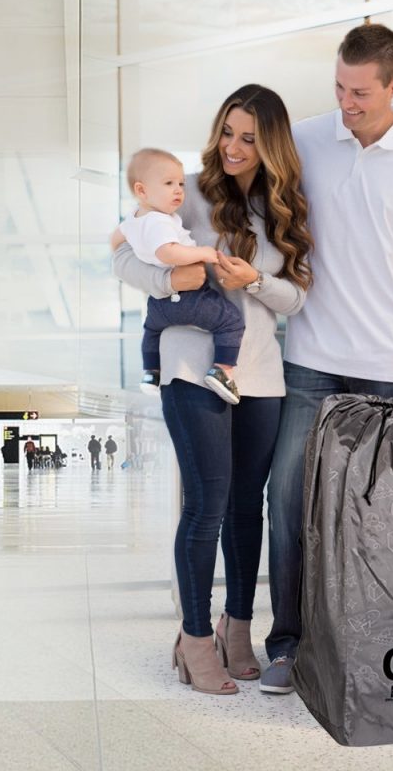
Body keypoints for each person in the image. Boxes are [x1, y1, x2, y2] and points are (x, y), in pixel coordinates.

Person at [261, 23, 393, 695]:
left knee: (379, 516)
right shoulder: (310, 139)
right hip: (310, 358)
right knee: (287, 498)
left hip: (388, 366)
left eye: (361, 93)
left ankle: (369, 647)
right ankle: (287, 645)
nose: (347, 101)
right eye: (340, 87)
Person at [113, 84, 313, 695]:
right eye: (227, 132)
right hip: (192, 368)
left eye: (248, 138)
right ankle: (194, 637)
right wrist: (176, 275)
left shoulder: (285, 209)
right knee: (206, 504)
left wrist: (254, 280)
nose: (232, 147)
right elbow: (121, 256)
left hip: (260, 375)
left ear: (271, 144)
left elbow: (297, 297)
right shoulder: (184, 191)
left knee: (245, 510)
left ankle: (237, 628)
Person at [121, 148, 246, 404]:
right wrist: (205, 252)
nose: (178, 190)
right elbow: (168, 252)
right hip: (190, 298)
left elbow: (116, 241)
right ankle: (223, 370)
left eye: (180, 183)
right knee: (231, 321)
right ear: (142, 190)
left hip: (159, 303)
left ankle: (151, 372)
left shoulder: (134, 218)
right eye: (168, 184)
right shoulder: (160, 221)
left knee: (151, 330)